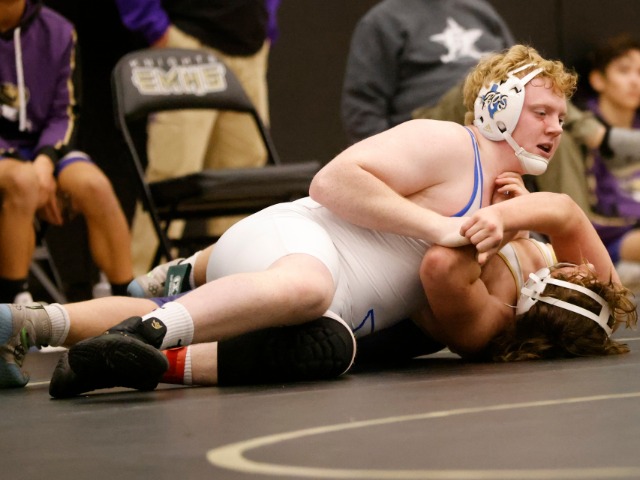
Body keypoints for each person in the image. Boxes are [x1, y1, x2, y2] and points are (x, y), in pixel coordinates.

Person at [3, 44, 615, 396]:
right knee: (308, 287)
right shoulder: (450, 144)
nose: (555, 129)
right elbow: (331, 182)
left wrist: (511, 220)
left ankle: (23, 324)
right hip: (302, 245)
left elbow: (606, 291)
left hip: (317, 295)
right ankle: (144, 336)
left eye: (562, 119)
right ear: (499, 105)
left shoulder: (502, 202)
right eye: (542, 112)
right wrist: (442, 229)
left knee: (321, 337)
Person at [114, 0, 281, 274]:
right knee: (172, 174)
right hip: (187, 45)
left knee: (240, 184)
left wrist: (267, 22)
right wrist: (154, 27)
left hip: (250, 48)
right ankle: (143, 286)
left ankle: (231, 281)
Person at [0, 0, 134, 302]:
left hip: (43, 150)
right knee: (22, 181)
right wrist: (29, 171)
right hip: (7, 155)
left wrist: (45, 162)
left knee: (94, 186)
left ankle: (126, 302)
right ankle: (14, 307)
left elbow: (65, 113)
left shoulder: (59, 31)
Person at [341, 0, 514, 144]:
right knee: (482, 87)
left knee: (522, 84)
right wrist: (393, 162)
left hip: (494, 108)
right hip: (430, 128)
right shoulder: (383, 20)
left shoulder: (480, 10)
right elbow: (362, 108)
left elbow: (516, 66)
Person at [576, 34, 640, 291]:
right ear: (598, 79)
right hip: (605, 240)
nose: (635, 81)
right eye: (624, 71)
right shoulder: (580, 129)